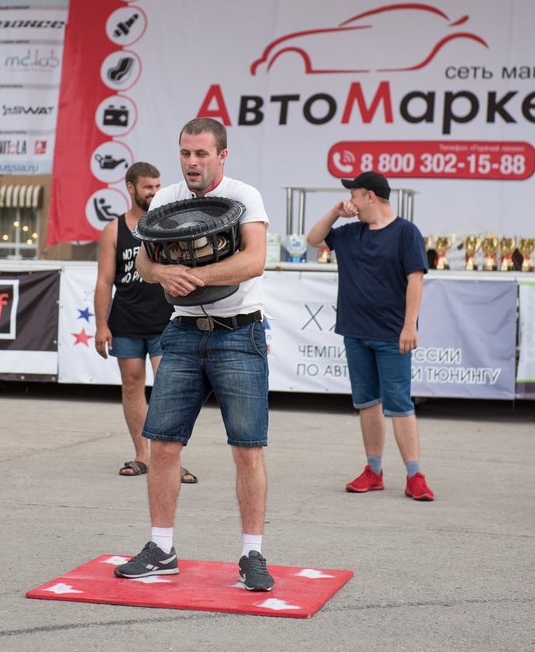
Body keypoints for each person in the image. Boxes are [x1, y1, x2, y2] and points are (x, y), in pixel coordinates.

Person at [114, 118, 274, 591]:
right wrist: (162, 274)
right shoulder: (165, 199)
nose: (192, 162)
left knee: (247, 449)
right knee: (163, 445)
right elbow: (146, 261)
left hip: (238, 333)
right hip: (182, 333)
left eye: (202, 154)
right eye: (185, 153)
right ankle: (161, 549)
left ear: (222, 156)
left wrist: (194, 276)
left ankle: (252, 554)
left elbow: (255, 260)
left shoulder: (245, 196)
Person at [306, 170, 434, 502]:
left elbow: (416, 279)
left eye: (354, 195)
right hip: (355, 332)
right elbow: (313, 239)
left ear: (370, 197)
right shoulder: (350, 232)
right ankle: (373, 471)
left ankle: (415, 475)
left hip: (392, 334)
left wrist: (410, 325)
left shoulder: (405, 232)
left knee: (399, 404)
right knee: (367, 403)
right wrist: (335, 212)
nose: (350, 200)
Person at [94, 161, 197, 484]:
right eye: (147, 187)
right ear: (131, 188)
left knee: (169, 389)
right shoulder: (114, 230)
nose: (154, 192)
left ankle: (169, 459)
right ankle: (143, 456)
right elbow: (103, 281)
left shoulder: (168, 225)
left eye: (157, 186)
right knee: (132, 384)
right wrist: (101, 325)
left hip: (165, 320)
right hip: (126, 321)